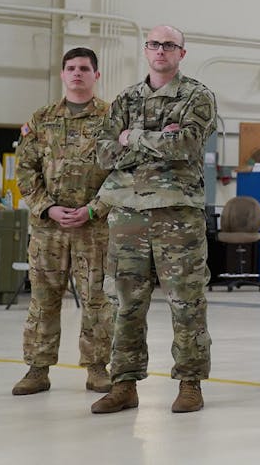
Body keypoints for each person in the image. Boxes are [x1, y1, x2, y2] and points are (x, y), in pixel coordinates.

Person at [91, 26, 217, 414]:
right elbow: (103, 153)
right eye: (154, 44)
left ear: (182, 52)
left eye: (169, 45)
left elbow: (186, 144)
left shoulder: (197, 95)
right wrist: (156, 137)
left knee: (186, 300)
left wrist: (132, 137)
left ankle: (190, 382)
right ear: (145, 50)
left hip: (177, 213)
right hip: (128, 214)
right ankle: (124, 383)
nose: (160, 51)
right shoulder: (126, 97)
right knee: (124, 301)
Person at [12, 47, 116, 397]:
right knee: (43, 299)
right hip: (48, 229)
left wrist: (94, 209)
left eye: (84, 68)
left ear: (96, 75)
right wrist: (47, 207)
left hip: (94, 229)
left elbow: (123, 174)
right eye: (70, 68)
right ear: (62, 74)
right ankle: (37, 369)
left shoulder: (112, 119)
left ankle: (98, 368)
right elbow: (24, 170)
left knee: (97, 300)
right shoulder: (41, 119)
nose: (77, 74)